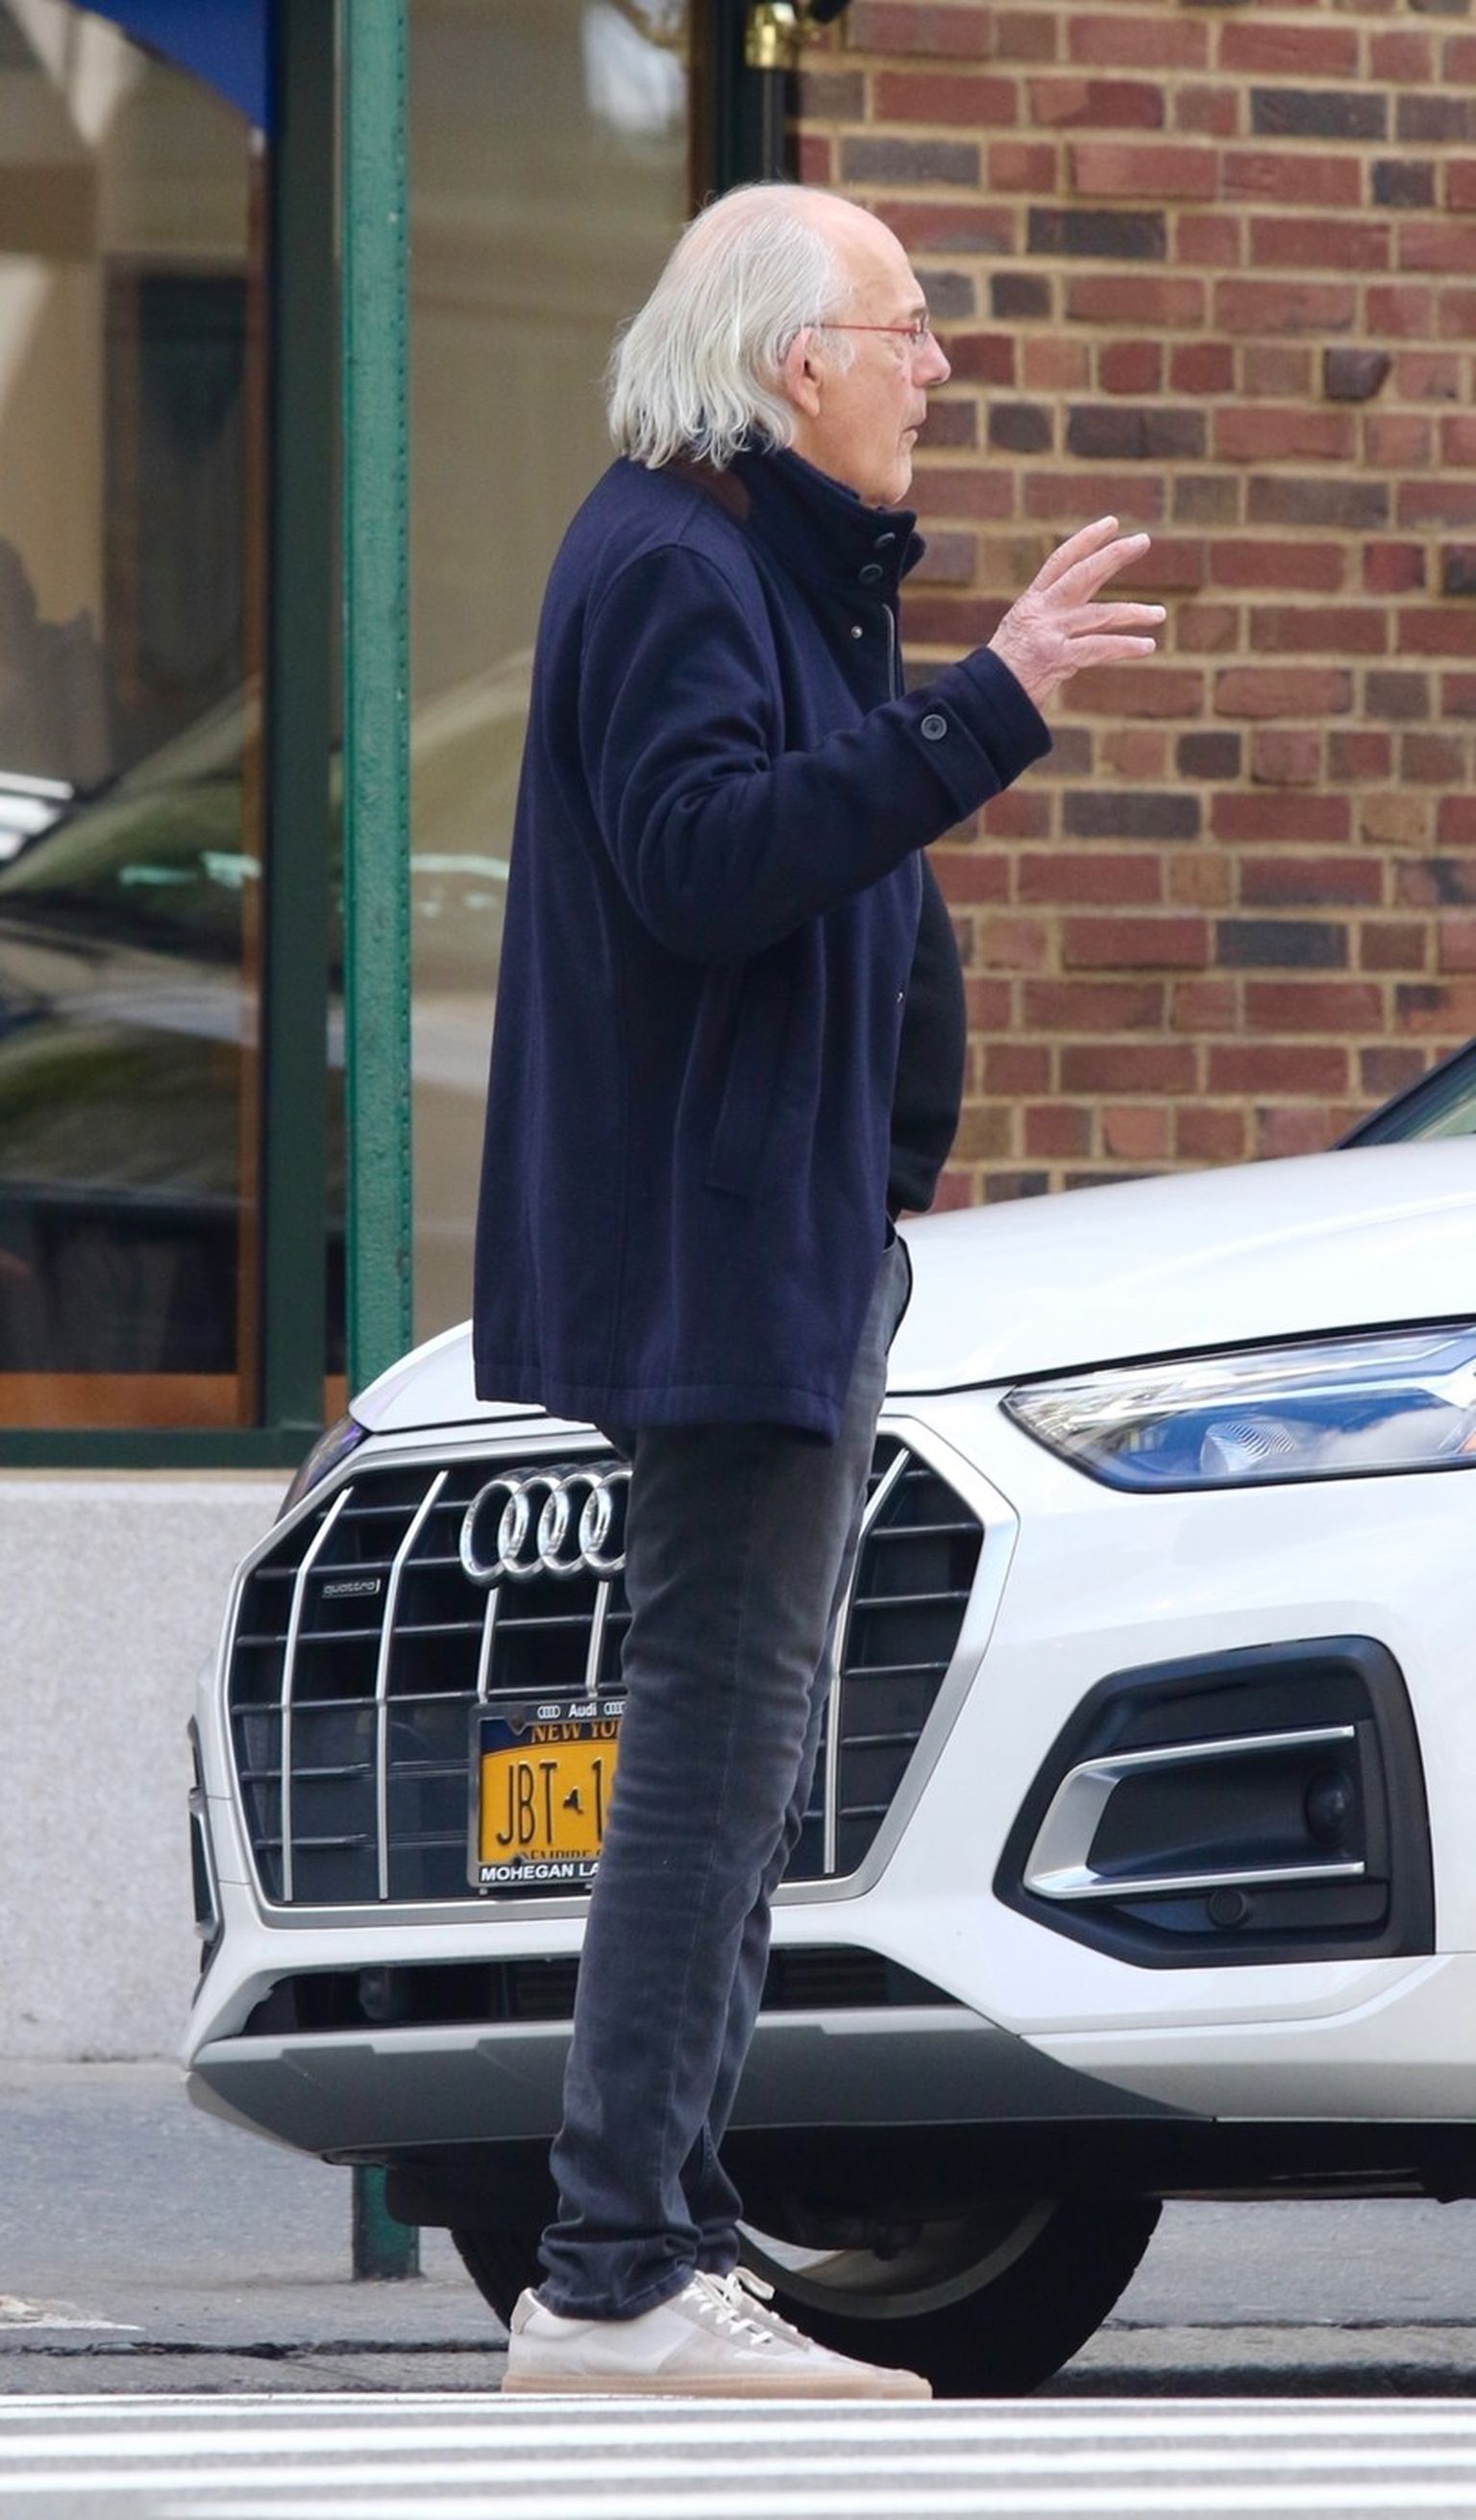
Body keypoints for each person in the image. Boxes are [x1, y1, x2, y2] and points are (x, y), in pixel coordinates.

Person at [473, 182, 1164, 2398]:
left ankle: (656, 2242)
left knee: (738, 1752)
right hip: (719, 1265)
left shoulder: (763, 566)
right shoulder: (676, 565)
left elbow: (834, 897)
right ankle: (615, 2274)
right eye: (910, 329)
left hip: (778, 1248)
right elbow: (705, 865)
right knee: (709, 1753)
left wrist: (868, 1186)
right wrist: (989, 708)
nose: (935, 369)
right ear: (797, 362)